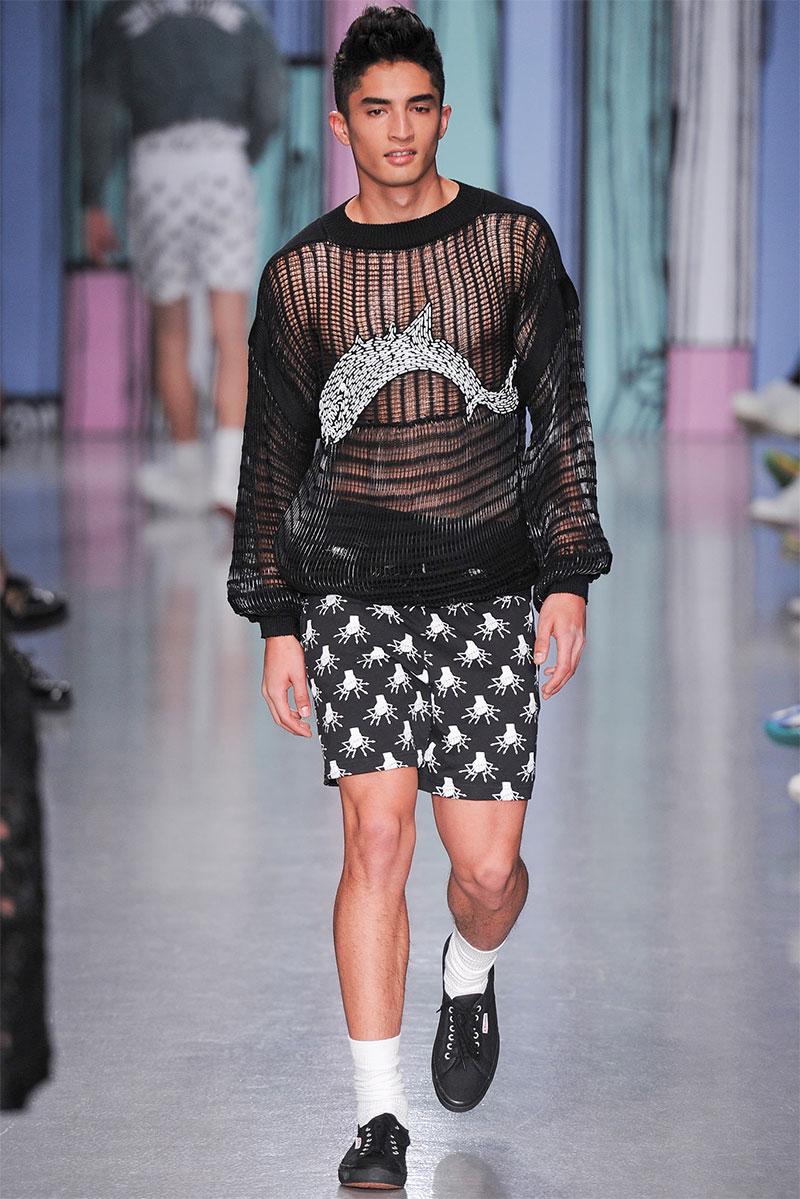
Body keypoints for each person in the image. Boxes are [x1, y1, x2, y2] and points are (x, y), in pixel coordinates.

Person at [227, 6, 613, 1190]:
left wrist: (564, 575)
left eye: (416, 106)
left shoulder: (509, 244)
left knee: (486, 870)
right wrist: (277, 618)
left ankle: (467, 971)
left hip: (490, 586)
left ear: (443, 114)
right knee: (377, 835)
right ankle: (377, 1115)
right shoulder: (302, 275)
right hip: (349, 588)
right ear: (341, 123)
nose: (397, 130)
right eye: (374, 109)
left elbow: (556, 416)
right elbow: (272, 456)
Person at [81, 0, 287, 516]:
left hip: (157, 169)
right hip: (222, 164)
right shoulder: (242, 14)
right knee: (231, 330)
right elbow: (271, 104)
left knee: (172, 330)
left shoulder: (122, 15)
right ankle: (228, 475)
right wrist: (241, 155)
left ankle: (187, 469)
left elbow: (100, 105)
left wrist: (92, 197)